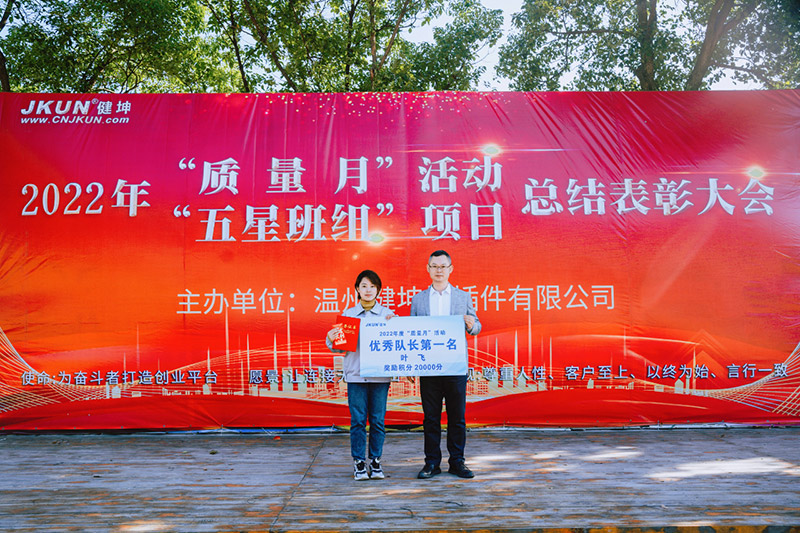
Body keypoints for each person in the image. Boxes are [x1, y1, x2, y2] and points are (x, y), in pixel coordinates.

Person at [410, 250, 481, 479]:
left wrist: (471, 325)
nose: (438, 270)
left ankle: (457, 462)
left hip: (455, 366)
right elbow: (412, 333)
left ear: (451, 269)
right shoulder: (419, 299)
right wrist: (411, 365)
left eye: (443, 266)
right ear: (428, 269)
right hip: (428, 367)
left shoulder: (462, 297)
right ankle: (432, 463)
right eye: (434, 266)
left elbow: (477, 326)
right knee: (430, 418)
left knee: (457, 417)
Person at [326, 270, 395, 481]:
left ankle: (375, 461)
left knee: (378, 420)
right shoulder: (348, 315)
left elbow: (397, 345)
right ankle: (358, 462)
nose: (368, 290)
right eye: (364, 286)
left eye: (372, 286)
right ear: (357, 289)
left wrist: (395, 326)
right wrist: (331, 338)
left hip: (380, 377)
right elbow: (339, 348)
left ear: (378, 290)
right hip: (356, 375)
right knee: (357, 420)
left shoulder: (388, 315)